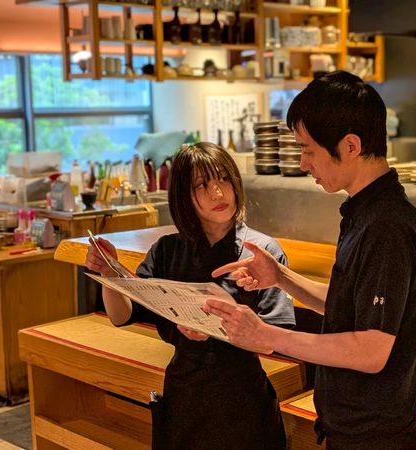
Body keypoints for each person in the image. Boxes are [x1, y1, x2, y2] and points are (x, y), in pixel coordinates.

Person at [204, 71, 416, 450]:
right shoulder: (364, 211)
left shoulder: (387, 225)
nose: (302, 162)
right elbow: (353, 308)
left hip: (376, 437)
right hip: (352, 428)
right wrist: (280, 277)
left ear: (350, 145)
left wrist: (265, 335)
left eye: (308, 149)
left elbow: (371, 350)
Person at [85, 142, 295, 450]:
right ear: (183, 195)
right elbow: (122, 314)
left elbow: (272, 339)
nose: (218, 193)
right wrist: (109, 273)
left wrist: (218, 327)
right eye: (202, 185)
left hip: (242, 400)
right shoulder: (167, 250)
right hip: (184, 398)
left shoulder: (261, 252)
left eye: (224, 179)